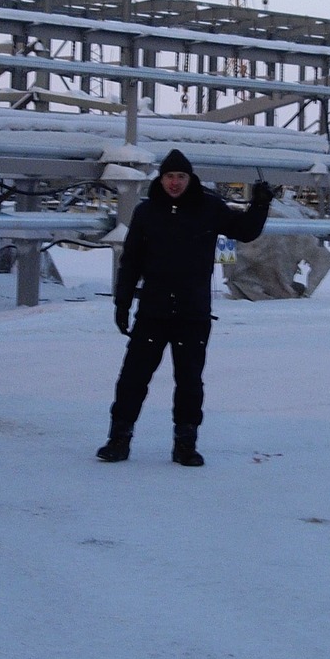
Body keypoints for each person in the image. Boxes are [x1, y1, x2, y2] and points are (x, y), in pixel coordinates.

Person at [100, 149, 273, 466]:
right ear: (161, 179)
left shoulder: (209, 208)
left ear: (190, 178)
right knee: (133, 379)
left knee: (190, 381)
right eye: (169, 177)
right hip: (153, 312)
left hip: (192, 314)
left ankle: (185, 445)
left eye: (181, 177)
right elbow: (131, 263)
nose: (175, 183)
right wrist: (122, 303)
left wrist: (260, 204)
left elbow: (245, 230)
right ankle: (118, 440)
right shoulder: (147, 213)